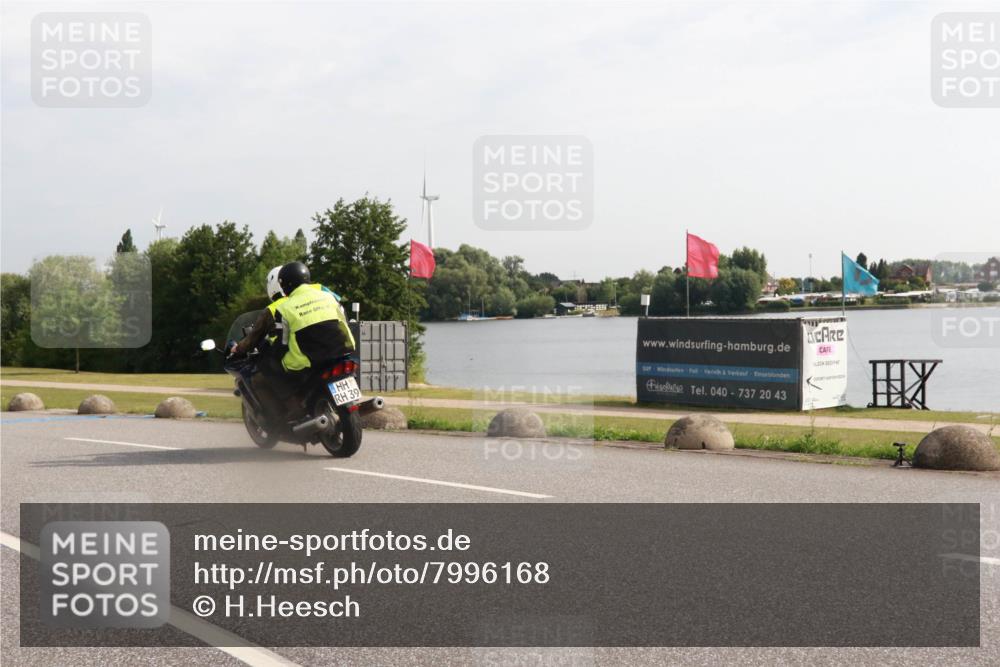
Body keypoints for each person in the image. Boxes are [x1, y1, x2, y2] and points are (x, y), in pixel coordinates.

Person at [231, 262, 355, 408]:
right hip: (342, 348)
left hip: (308, 358)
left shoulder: (280, 308)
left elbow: (280, 341)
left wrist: (239, 349)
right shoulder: (326, 293)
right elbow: (343, 317)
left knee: (267, 364)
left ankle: (288, 406)